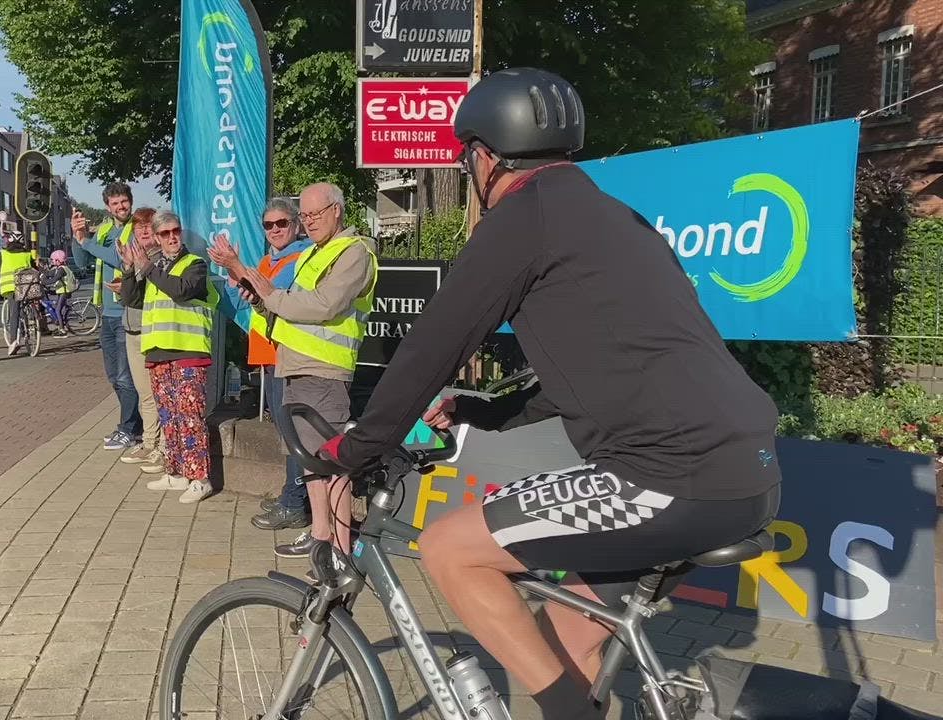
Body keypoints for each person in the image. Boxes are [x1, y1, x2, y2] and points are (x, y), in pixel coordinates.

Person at [319, 68, 783, 720]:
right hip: (749, 471)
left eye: (467, 157)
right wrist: (486, 412)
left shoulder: (519, 221)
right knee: (565, 638)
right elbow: (598, 369)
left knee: (450, 549)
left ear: (485, 156)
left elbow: (432, 347)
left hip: (668, 476)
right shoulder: (613, 218)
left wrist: (359, 447)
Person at [213, 182, 378, 559]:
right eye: (304, 216)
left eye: (314, 214)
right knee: (311, 463)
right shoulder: (312, 256)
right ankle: (321, 538)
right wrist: (260, 301)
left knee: (333, 463)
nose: (309, 222)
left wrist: (265, 291)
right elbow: (284, 310)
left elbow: (323, 305)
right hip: (293, 366)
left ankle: (339, 547)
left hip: (324, 371)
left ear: (337, 209)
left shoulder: (355, 251)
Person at [210, 198, 313, 530]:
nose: (275, 230)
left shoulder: (301, 258)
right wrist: (234, 270)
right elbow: (248, 294)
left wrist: (236, 265)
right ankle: (290, 494)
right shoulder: (269, 260)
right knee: (286, 434)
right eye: (268, 225)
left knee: (293, 435)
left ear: (296, 224)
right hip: (269, 355)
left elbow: (272, 294)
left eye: (281, 223)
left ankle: (295, 504)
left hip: (288, 355)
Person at [121, 211, 218, 504]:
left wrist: (147, 268)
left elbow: (182, 290)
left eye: (176, 231)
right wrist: (129, 270)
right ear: (158, 238)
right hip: (160, 353)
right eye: (165, 233)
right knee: (169, 416)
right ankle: (176, 472)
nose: (172, 237)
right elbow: (131, 299)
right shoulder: (156, 267)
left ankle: (200, 478)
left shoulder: (194, 264)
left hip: (188, 352)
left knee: (190, 418)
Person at [72, 182, 143, 451]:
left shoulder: (136, 229)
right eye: (115, 203)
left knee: (126, 377)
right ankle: (133, 425)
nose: (121, 207)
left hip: (128, 312)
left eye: (124, 201)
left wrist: (87, 242)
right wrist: (77, 236)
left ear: (130, 202)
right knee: (114, 377)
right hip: (107, 314)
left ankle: (128, 430)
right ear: (107, 207)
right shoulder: (102, 230)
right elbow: (81, 263)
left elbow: (117, 258)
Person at [115, 207, 165, 473]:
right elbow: (129, 298)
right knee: (145, 394)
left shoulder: (160, 258)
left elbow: (137, 296)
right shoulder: (135, 256)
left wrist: (130, 274)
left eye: (149, 225)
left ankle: (163, 447)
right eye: (139, 226)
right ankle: (149, 442)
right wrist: (126, 269)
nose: (144, 230)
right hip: (133, 330)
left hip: (152, 332)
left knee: (158, 393)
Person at [0, 231, 35, 356]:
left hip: (10, 287)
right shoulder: (27, 254)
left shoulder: (4, 253)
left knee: (14, 313)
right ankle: (29, 327)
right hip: (27, 286)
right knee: (24, 306)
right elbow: (34, 268)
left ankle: (13, 341)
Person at [43, 249, 75, 335]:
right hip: (62, 291)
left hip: (65, 291)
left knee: (58, 310)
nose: (52, 261)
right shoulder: (58, 268)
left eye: (53, 260)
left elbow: (54, 279)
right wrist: (42, 272)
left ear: (58, 260)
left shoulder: (62, 270)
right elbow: (49, 273)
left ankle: (62, 329)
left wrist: (43, 282)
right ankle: (59, 325)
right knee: (58, 307)